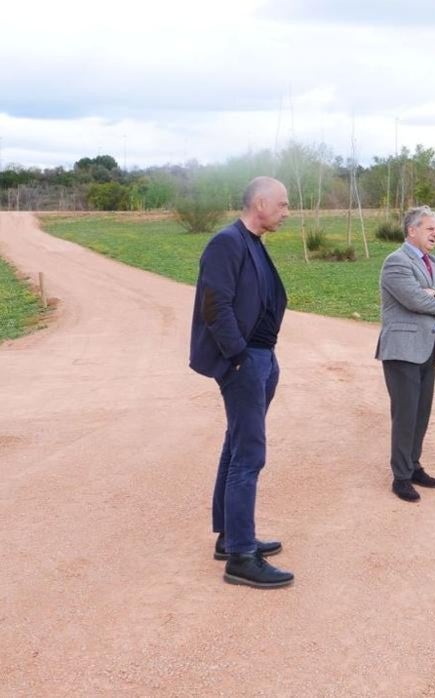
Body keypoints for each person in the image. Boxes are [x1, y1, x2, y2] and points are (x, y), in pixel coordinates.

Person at [189, 176, 294, 589]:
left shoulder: (253, 243)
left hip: (261, 358)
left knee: (236, 444)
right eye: (283, 205)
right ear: (261, 203)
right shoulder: (227, 242)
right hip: (244, 361)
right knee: (250, 454)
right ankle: (241, 556)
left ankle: (231, 536)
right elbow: (215, 306)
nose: (286, 212)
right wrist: (238, 359)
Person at [376, 206, 435, 502]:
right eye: (429, 228)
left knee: (421, 412)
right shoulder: (396, 262)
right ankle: (400, 477)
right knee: (405, 414)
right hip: (402, 351)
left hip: (428, 348)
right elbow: (415, 300)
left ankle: (413, 466)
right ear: (411, 231)